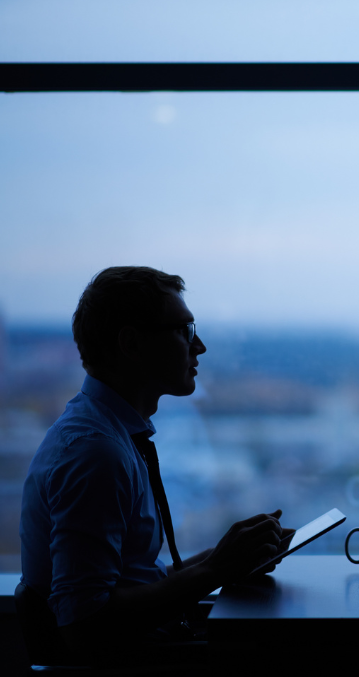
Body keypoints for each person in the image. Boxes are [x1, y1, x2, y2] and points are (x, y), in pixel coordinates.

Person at [20, 266, 291, 662]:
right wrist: (216, 569)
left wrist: (228, 557)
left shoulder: (105, 434)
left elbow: (130, 582)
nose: (198, 347)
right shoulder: (97, 453)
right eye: (184, 331)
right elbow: (84, 628)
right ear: (131, 343)